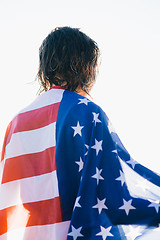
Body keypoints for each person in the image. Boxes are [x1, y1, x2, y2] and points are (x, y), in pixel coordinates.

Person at [0, 26, 160, 240]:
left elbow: (10, 196)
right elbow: (116, 202)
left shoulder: (16, 123)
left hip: (36, 234)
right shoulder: (87, 111)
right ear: (84, 65)